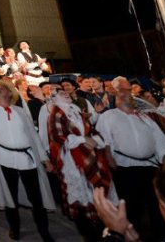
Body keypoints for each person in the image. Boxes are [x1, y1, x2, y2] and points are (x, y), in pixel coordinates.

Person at [0, 79, 56, 241]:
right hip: (4, 158)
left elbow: (34, 136)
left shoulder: (20, 111)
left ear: (10, 92)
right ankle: (15, 228)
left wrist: (45, 159)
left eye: (2, 89)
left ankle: (44, 231)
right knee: (11, 196)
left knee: (36, 197)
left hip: (27, 158)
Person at [96, 88, 165, 240]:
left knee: (157, 207)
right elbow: (104, 139)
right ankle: (131, 237)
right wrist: (109, 158)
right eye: (119, 95)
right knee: (131, 209)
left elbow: (160, 140)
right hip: (125, 168)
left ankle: (162, 237)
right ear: (115, 100)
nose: (123, 96)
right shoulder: (108, 116)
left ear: (133, 100)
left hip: (151, 168)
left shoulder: (144, 118)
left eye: (127, 95)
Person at [47, 85, 116, 239]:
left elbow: (90, 129)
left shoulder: (76, 110)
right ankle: (90, 234)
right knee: (82, 198)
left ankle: (103, 230)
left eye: (66, 92)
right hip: (74, 161)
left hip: (91, 157)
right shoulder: (56, 112)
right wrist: (83, 139)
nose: (66, 94)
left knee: (96, 193)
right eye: (61, 93)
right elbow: (57, 137)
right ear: (55, 98)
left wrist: (95, 139)